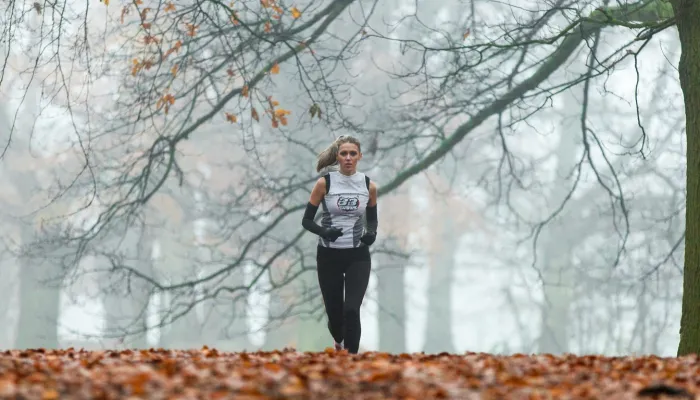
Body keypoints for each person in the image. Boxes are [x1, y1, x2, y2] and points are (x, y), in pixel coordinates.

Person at [301, 135, 378, 354]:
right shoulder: (324, 183)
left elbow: (372, 219)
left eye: (353, 153)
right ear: (337, 156)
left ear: (359, 156)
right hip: (329, 255)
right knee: (336, 316)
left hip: (357, 256)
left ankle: (352, 360)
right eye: (344, 153)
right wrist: (324, 231)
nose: (348, 158)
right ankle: (338, 339)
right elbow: (306, 220)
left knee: (352, 310)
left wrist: (371, 233)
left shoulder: (368, 186)